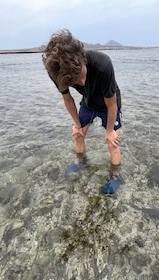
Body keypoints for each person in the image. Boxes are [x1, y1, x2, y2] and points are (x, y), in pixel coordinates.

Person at [42, 29, 122, 194]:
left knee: (112, 142)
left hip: (109, 103)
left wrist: (109, 131)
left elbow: (112, 104)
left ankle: (115, 175)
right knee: (78, 135)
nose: (82, 82)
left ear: (82, 58)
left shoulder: (103, 64)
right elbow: (68, 99)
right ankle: (81, 161)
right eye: (75, 81)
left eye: (81, 75)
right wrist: (77, 125)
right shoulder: (56, 72)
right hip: (88, 102)